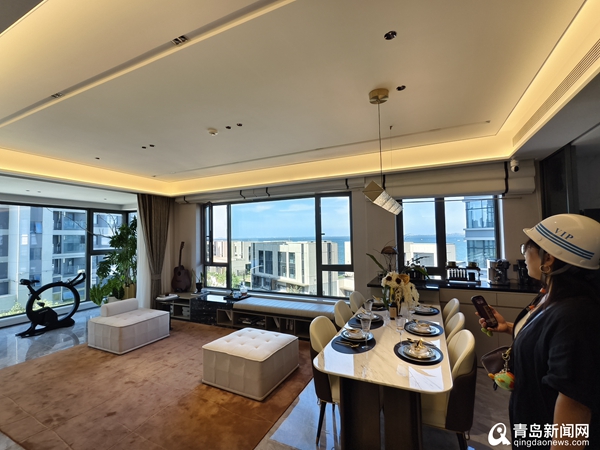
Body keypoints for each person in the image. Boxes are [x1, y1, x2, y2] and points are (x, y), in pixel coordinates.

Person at [480, 214, 600, 449]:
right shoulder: (552, 296)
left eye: (527, 248)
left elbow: (574, 408)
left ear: (549, 257)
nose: (524, 255)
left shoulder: (577, 316)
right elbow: (548, 340)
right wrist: (509, 328)